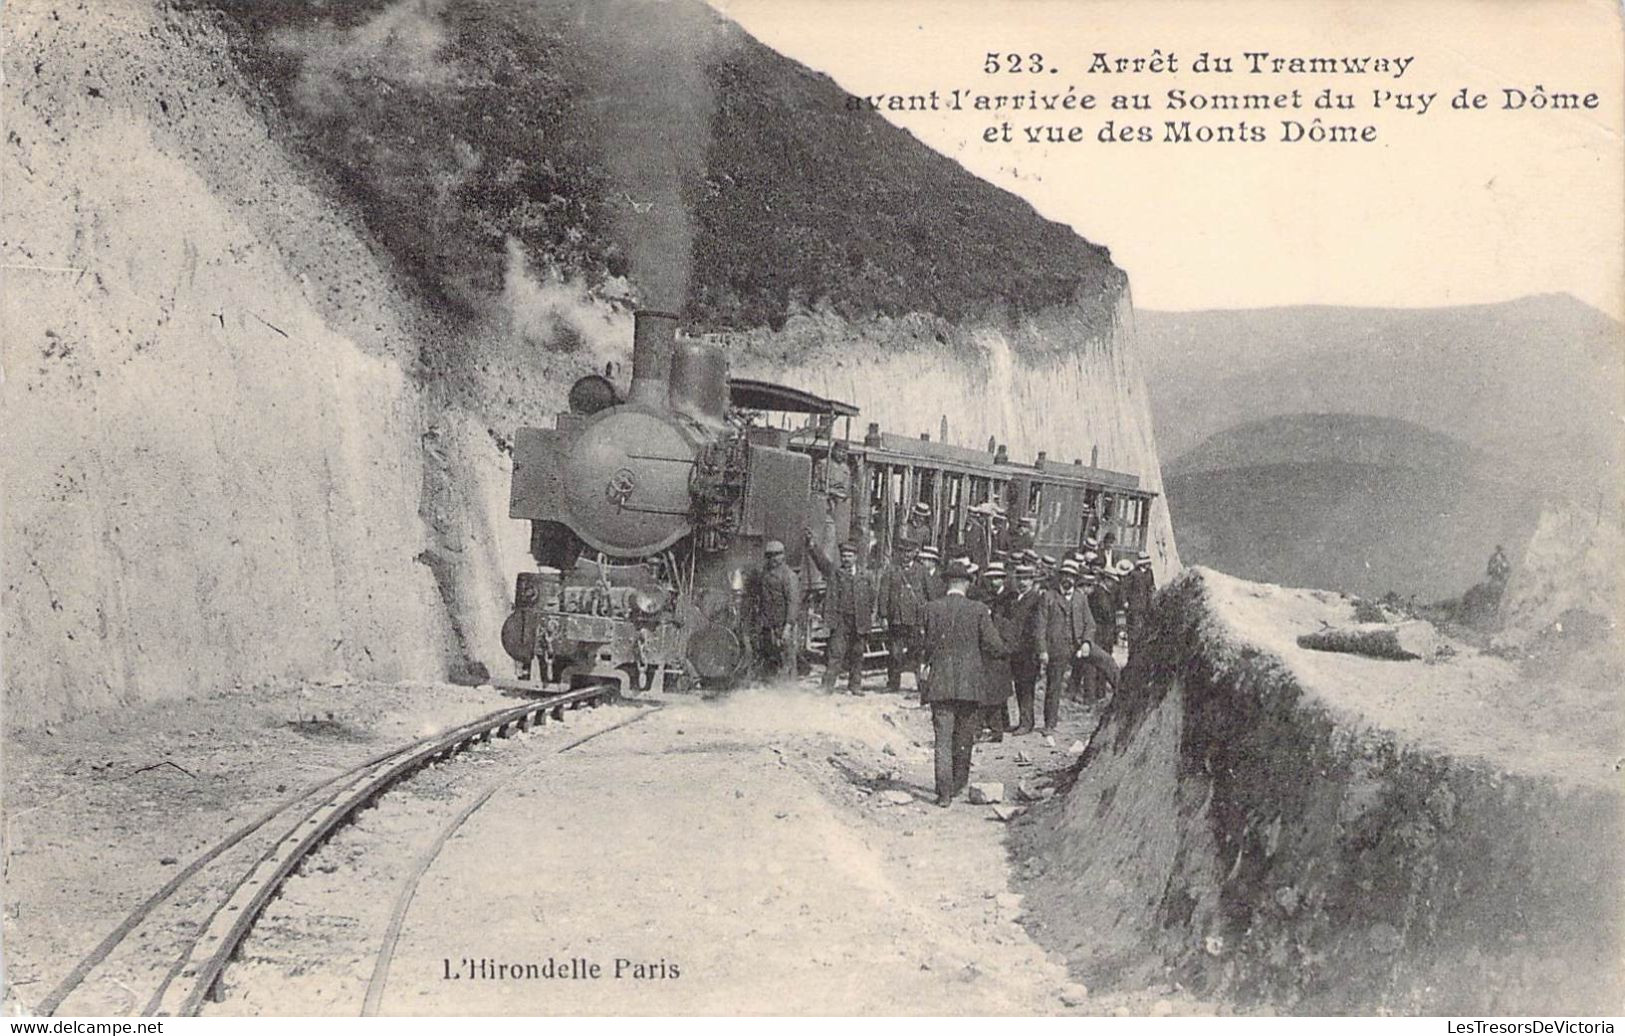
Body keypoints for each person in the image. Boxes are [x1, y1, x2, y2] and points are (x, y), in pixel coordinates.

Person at [919, 558, 1007, 806]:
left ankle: (943, 792)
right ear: (967, 584)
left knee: (943, 739)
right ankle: (958, 783)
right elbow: (994, 645)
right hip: (970, 685)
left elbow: (924, 646)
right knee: (964, 738)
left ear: (946, 582)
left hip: (940, 683)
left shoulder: (931, 608)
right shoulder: (979, 610)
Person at [807, 532, 877, 694]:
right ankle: (827, 686)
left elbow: (872, 597)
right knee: (836, 653)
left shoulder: (865, 576)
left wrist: (870, 616)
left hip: (859, 620)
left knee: (857, 654)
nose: (846, 559)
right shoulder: (836, 574)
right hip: (841, 621)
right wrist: (813, 546)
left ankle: (855, 686)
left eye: (850, 556)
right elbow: (822, 563)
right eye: (844, 556)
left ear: (856, 557)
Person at [1035, 561, 1096, 731]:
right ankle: (1050, 724)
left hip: (1077, 645)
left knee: (1103, 662)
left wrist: (1086, 642)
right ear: (1060, 577)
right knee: (1054, 686)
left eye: (1071, 576)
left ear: (1076, 579)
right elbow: (1040, 626)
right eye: (1065, 575)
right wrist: (1043, 650)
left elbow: (1090, 624)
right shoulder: (1049, 597)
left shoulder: (1080, 598)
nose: (1068, 579)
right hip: (1057, 648)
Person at [878, 539, 930, 693]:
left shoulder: (922, 571)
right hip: (897, 618)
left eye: (909, 552)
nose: (906, 555)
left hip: (915, 619)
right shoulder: (892, 570)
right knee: (895, 653)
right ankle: (893, 683)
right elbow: (884, 594)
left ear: (915, 553)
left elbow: (929, 594)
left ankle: (920, 684)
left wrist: (929, 616)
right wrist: (883, 616)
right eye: (903, 552)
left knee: (917, 652)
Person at [752, 540, 800, 679]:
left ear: (783, 556)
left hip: (782, 624)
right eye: (769, 555)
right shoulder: (764, 574)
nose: (773, 558)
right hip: (767, 624)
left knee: (787, 657)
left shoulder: (789, 576)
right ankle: (770, 687)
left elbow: (793, 603)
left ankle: (788, 690)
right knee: (769, 657)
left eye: (776, 555)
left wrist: (788, 627)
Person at [1125, 551, 1156, 655]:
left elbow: (1151, 586)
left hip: (1146, 605)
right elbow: (1127, 589)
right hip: (1135, 606)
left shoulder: (1149, 573)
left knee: (1144, 629)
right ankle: (1132, 652)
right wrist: (1126, 601)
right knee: (1134, 631)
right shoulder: (1133, 574)